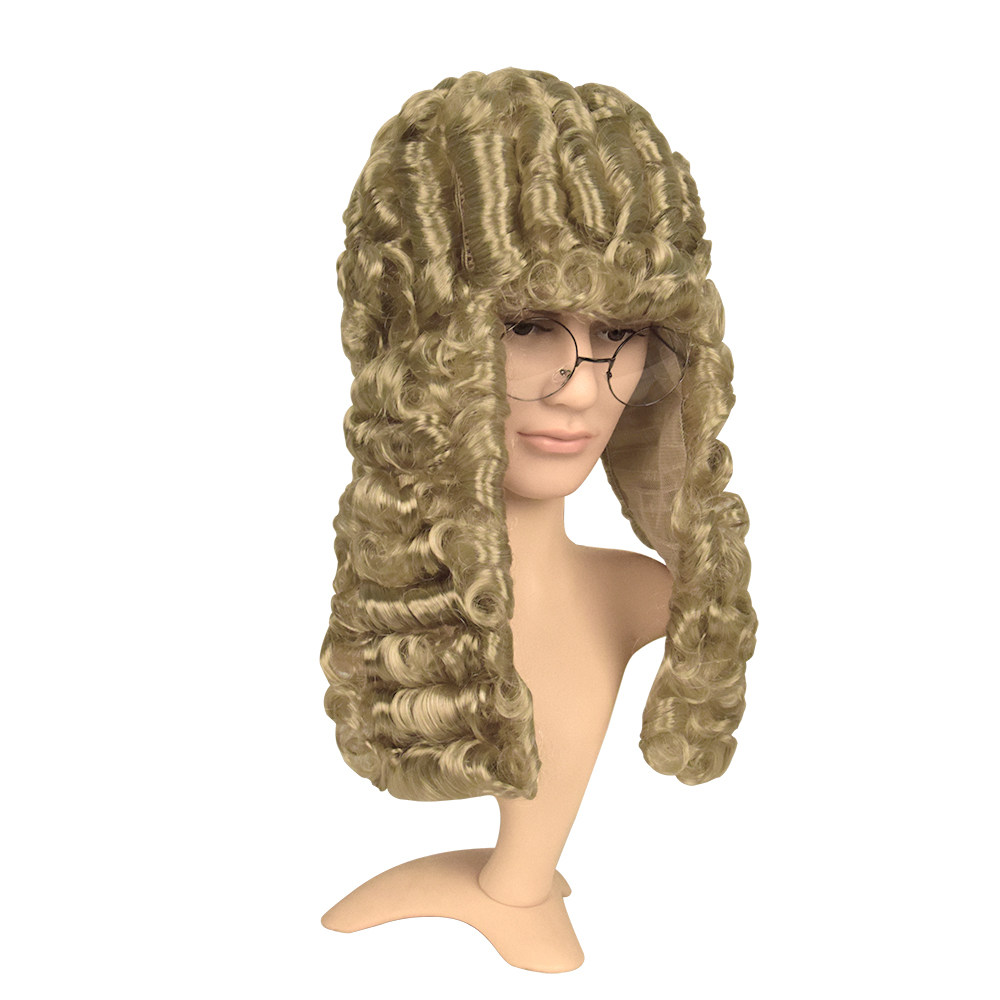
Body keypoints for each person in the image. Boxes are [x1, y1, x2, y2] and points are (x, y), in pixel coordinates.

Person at [318, 67, 757, 972]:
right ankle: (512, 887)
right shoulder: (388, 621)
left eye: (620, 333)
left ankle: (520, 884)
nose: (583, 390)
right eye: (526, 326)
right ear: (422, 338)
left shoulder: (643, 597)